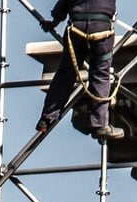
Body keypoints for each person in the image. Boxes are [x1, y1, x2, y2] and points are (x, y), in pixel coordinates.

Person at [36, 0, 126, 142]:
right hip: (101, 28)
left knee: (66, 74)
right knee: (100, 75)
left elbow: (63, 3)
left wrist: (55, 21)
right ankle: (99, 124)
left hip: (76, 27)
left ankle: (47, 118)